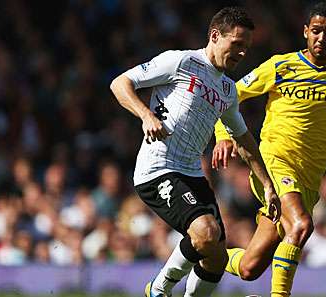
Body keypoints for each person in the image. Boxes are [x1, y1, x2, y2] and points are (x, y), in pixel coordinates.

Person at [212, 2, 326, 297]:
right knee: (301, 225)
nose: (321, 38)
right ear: (305, 32)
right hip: (274, 162)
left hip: (309, 177)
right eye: (316, 31)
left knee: (250, 267)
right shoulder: (280, 65)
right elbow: (229, 95)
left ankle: (204, 255)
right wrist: (223, 134)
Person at [110, 7, 280, 297]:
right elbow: (120, 83)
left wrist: (267, 185)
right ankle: (158, 290)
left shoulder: (227, 89)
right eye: (236, 44)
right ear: (215, 36)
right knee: (206, 233)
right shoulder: (180, 61)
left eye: (246, 48)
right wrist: (146, 116)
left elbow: (243, 139)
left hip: (192, 174)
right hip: (158, 169)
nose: (241, 53)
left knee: (217, 257)